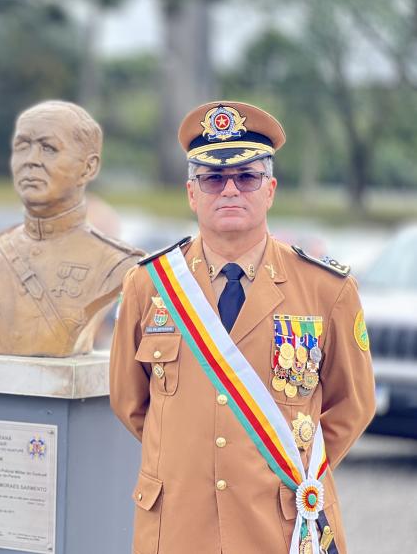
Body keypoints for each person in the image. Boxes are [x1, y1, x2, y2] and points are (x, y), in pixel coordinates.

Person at [108, 101, 375, 554]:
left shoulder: (327, 288)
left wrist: (294, 466)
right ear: (192, 194)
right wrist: (190, 452)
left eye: (246, 177)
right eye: (212, 179)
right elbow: (130, 402)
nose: (229, 190)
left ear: (270, 189)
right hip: (178, 523)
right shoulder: (147, 285)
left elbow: (354, 405)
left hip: (280, 522)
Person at [0, 100, 142, 357]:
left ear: (88, 168)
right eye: (22, 146)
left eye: (49, 148)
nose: (31, 161)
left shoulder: (119, 266)